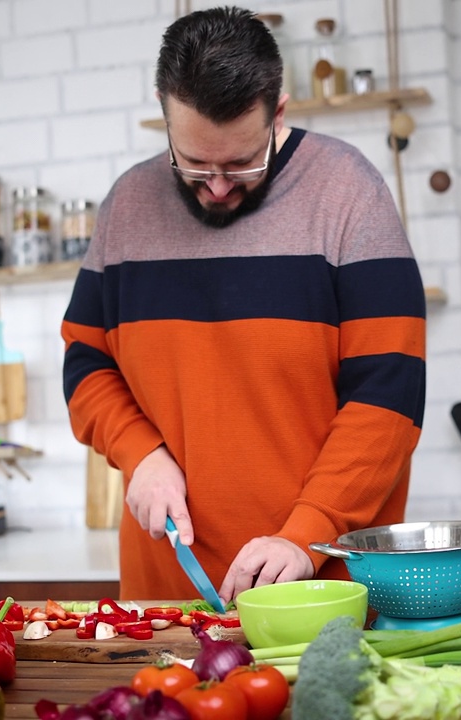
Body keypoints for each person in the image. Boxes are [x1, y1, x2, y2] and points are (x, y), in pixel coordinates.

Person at [61, 6, 426, 605]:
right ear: (165, 113)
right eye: (196, 164)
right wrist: (140, 454)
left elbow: (389, 398)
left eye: (240, 163)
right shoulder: (127, 207)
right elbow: (85, 362)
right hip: (162, 600)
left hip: (319, 587)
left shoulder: (350, 196)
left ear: (276, 112)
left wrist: (304, 537)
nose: (220, 186)